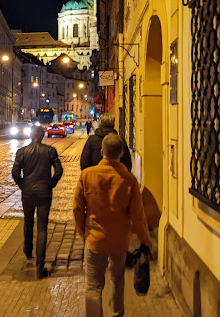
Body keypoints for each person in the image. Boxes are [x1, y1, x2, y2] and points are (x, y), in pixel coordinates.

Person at [74, 133, 152, 317]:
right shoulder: (129, 179)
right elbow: (138, 215)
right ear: (122, 153)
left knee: (93, 285)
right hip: (119, 241)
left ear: (102, 152)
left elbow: (77, 207)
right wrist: (144, 240)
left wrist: (82, 232)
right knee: (117, 279)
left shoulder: (87, 175)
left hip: (94, 239)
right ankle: (116, 313)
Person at [12, 125, 63, 279]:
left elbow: (15, 173)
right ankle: (40, 265)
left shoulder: (22, 152)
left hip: (28, 192)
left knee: (28, 222)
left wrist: (23, 185)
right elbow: (59, 171)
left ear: (31, 136)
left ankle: (28, 251)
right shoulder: (50, 151)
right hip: (44, 192)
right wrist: (51, 184)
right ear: (42, 136)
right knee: (42, 228)